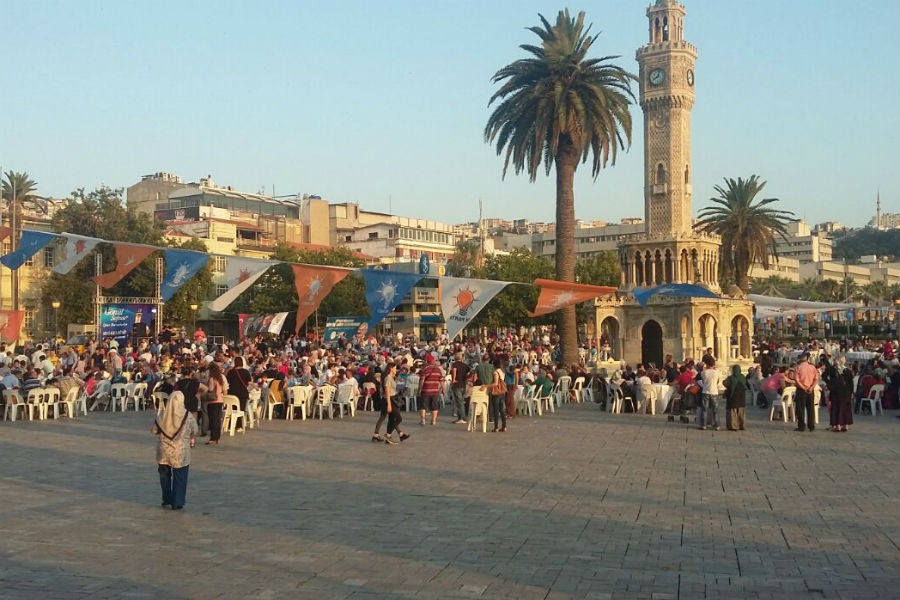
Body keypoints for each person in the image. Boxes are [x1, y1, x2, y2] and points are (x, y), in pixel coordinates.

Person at [151, 390, 198, 510]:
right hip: (180, 451)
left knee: (164, 476)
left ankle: (167, 498)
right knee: (180, 476)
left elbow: (154, 431)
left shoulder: (162, 415)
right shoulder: (188, 416)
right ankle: (177, 501)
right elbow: (195, 430)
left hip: (164, 450)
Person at [382, 362, 410, 445]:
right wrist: (389, 404)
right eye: (394, 368)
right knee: (399, 418)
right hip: (389, 399)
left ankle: (389, 437)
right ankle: (388, 435)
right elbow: (387, 391)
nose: (396, 370)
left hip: (393, 398)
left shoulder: (392, 377)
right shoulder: (387, 378)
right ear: (391, 368)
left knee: (391, 419)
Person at [793, 352, 819, 432]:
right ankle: (811, 426)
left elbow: (797, 380)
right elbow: (816, 379)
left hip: (802, 389)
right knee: (810, 408)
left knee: (800, 408)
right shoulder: (813, 367)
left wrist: (803, 387)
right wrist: (811, 387)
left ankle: (801, 426)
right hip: (810, 390)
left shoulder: (798, 368)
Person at [417, 355, 443, 426]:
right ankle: (433, 421)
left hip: (426, 390)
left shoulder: (425, 369)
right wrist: (443, 389)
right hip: (435, 391)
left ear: (427, 361)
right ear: (433, 361)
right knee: (434, 406)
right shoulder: (438, 369)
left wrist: (420, 389)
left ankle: (423, 420)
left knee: (423, 406)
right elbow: (441, 380)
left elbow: (422, 380)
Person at [826, 366, 853, 432]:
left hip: (837, 394)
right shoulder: (848, 371)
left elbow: (832, 385)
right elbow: (851, 383)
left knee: (836, 409)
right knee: (846, 409)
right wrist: (851, 392)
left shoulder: (834, 373)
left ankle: (838, 426)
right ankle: (845, 425)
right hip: (846, 393)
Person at [205, 362, 227, 445]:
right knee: (217, 420)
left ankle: (213, 438)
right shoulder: (220, 378)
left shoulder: (212, 379)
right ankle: (217, 437)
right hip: (220, 400)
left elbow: (210, 389)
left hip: (213, 401)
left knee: (213, 420)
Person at [699, 357, 723, 430]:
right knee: (715, 410)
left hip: (705, 391)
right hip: (714, 392)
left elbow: (703, 381)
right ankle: (717, 425)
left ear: (706, 364)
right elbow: (718, 382)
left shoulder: (703, 372)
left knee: (704, 409)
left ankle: (704, 425)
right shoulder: (717, 372)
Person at [723, 365, 748, 431]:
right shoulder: (743, 377)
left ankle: (733, 426)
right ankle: (742, 425)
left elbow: (725, 383)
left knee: (732, 412)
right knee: (741, 412)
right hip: (741, 398)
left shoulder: (730, 378)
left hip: (732, 397)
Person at [449, 353, 470, 424]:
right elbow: (468, 374)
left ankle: (462, 418)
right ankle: (460, 417)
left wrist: (453, 379)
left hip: (457, 384)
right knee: (461, 401)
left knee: (459, 402)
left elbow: (454, 370)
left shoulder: (455, 364)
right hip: (463, 384)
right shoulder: (465, 365)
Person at [489, 358, 507, 432]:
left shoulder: (496, 372)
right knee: (502, 410)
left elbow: (495, 383)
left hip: (496, 392)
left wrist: (486, 385)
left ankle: (496, 427)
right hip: (502, 392)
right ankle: (504, 426)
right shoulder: (502, 371)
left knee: (496, 410)